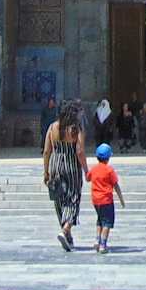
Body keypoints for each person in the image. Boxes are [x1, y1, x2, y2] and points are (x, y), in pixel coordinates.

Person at [43, 100, 87, 251]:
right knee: (73, 198)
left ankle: (67, 236)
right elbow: (80, 151)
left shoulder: (52, 127)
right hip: (71, 166)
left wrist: (46, 171)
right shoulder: (76, 129)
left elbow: (47, 151)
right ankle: (65, 229)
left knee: (59, 199)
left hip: (56, 165)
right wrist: (86, 170)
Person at [86, 142, 125, 254]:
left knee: (100, 220)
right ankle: (103, 244)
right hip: (106, 201)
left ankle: (97, 240)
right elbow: (116, 185)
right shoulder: (109, 170)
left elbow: (88, 178)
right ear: (108, 158)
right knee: (107, 223)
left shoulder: (94, 169)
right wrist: (121, 199)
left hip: (95, 200)